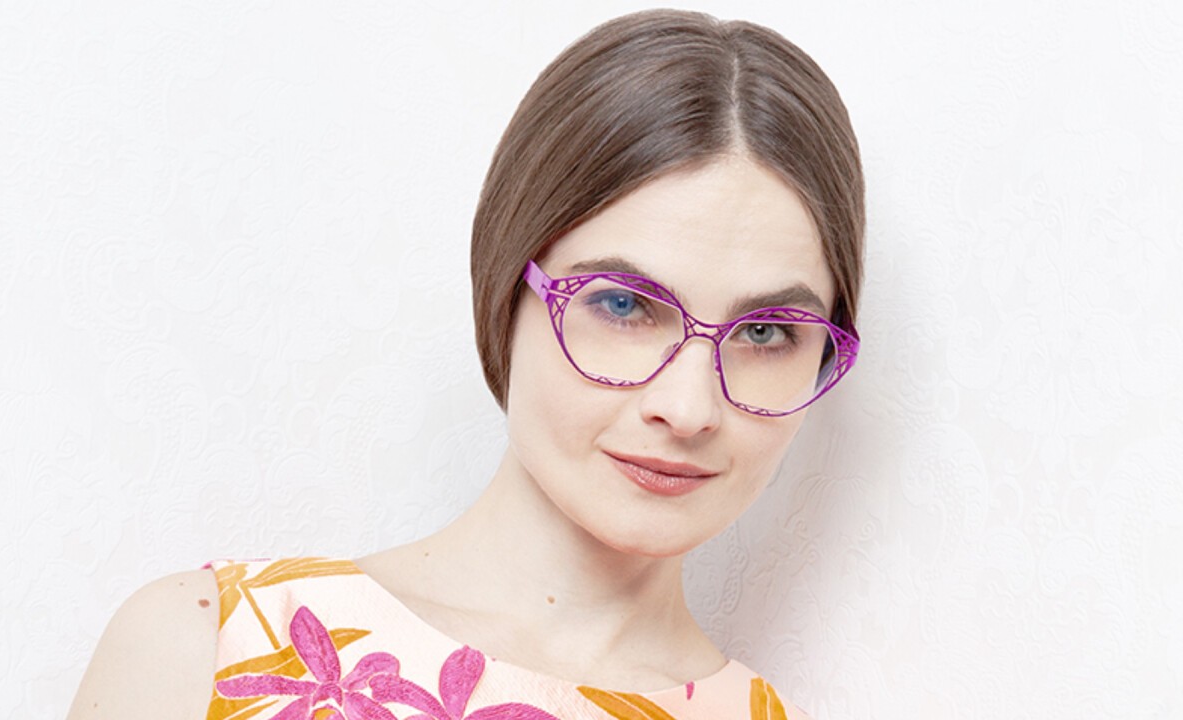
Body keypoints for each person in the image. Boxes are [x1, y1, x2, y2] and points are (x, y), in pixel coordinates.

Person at [67, 9, 863, 720]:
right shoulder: (210, 649)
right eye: (623, 304)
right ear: (506, 285)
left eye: (767, 333)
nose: (687, 408)